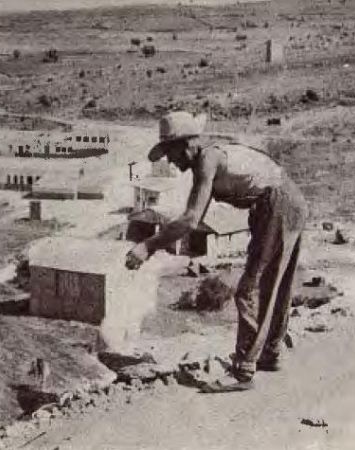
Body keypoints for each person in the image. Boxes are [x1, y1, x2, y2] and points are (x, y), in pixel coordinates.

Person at [125, 111, 309, 393]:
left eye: (170, 153)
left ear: (186, 144)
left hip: (278, 204)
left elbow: (191, 220)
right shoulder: (211, 156)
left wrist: (147, 246)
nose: (170, 162)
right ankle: (270, 354)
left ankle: (243, 372)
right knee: (276, 283)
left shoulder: (207, 161)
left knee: (250, 289)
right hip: (289, 200)